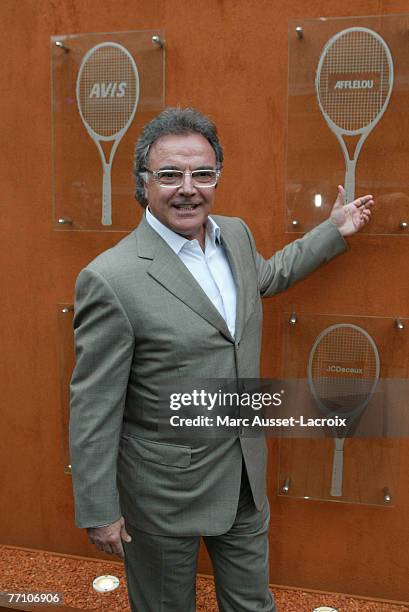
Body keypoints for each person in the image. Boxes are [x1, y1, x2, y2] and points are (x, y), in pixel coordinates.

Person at [69, 107, 373, 612]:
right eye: (170, 174)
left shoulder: (234, 234)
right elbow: (94, 406)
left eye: (202, 173)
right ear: (144, 182)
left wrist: (333, 231)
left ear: (216, 178)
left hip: (244, 479)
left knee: (253, 605)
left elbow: (268, 278)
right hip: (162, 493)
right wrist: (99, 509)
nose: (188, 188)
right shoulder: (111, 278)